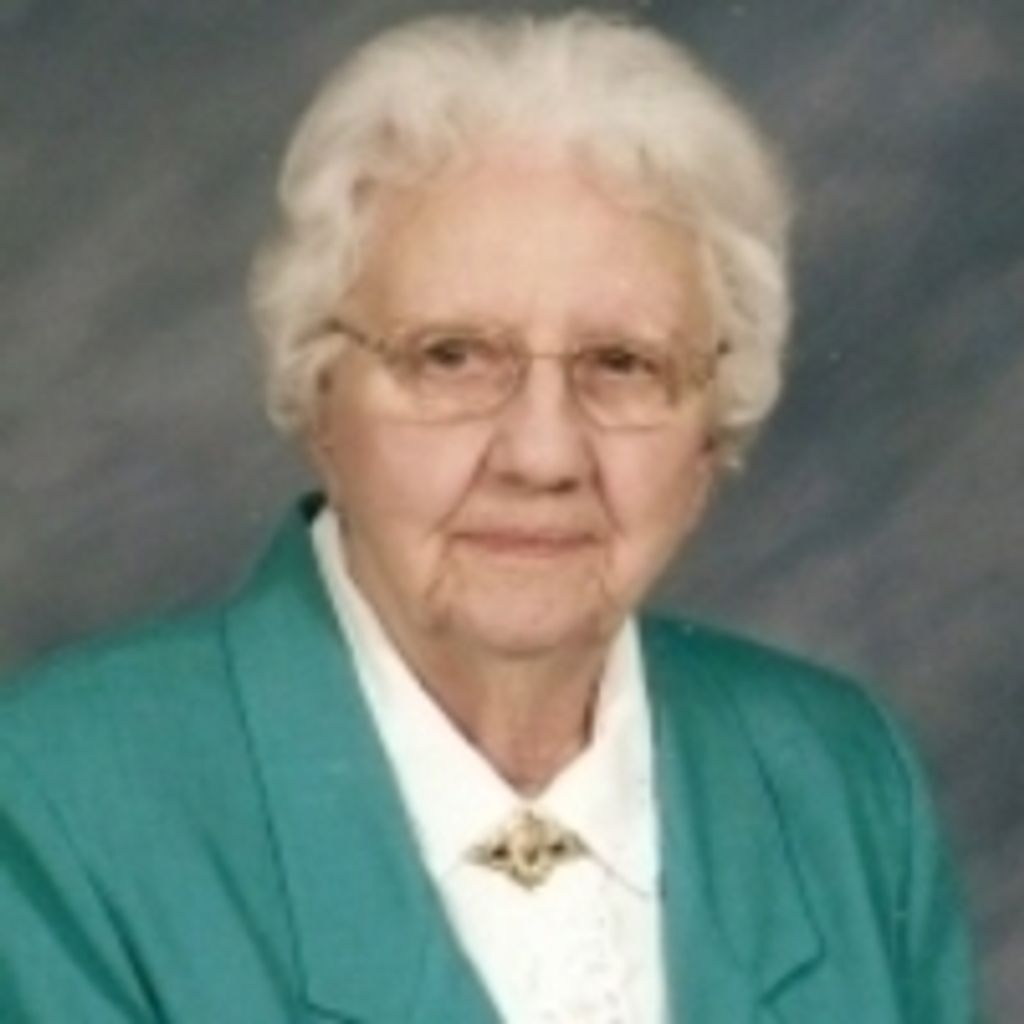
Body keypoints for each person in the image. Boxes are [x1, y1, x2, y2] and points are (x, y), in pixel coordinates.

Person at [0, 10, 977, 1023]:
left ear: (712, 427)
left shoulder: (837, 780)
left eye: (623, 363)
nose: (542, 455)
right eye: (452, 357)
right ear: (319, 396)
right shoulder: (55, 804)